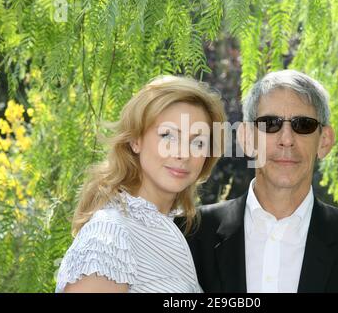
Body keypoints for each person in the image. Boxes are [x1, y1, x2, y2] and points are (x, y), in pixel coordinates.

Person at [184, 69, 338, 293]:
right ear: (246, 139)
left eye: (303, 125)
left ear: (324, 141)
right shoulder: (190, 234)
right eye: (270, 123)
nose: (287, 139)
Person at [55, 75, 226, 293]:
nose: (184, 153)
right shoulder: (109, 233)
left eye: (198, 142)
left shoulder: (178, 234)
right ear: (136, 140)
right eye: (168, 136)